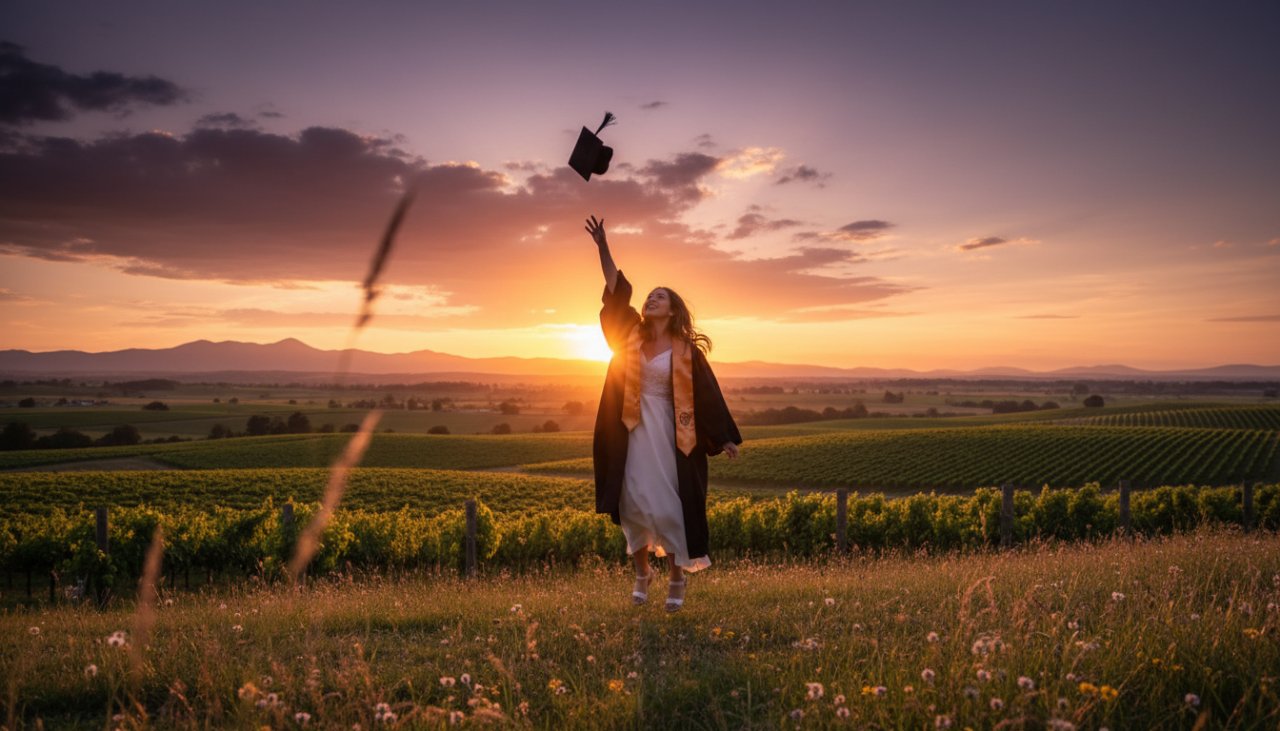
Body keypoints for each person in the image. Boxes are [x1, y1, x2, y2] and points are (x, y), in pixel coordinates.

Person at [585, 214, 743, 612]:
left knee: (669, 506)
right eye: (650, 295)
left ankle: (675, 574)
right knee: (633, 503)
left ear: (672, 311)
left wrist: (723, 435)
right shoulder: (630, 335)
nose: (651, 299)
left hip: (674, 438)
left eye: (660, 296)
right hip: (630, 431)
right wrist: (603, 246)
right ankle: (642, 572)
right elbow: (616, 290)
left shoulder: (687, 352)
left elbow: (707, 395)